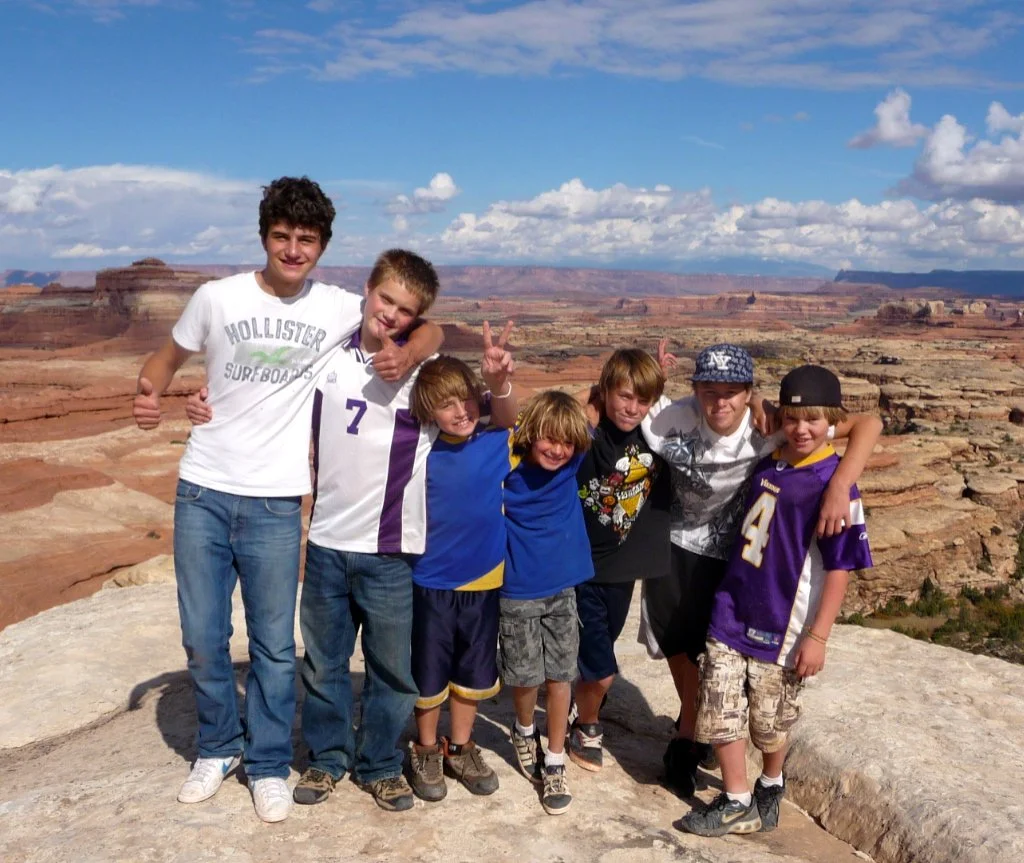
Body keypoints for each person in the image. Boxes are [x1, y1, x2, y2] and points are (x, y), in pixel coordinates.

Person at [133, 178, 440, 823]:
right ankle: (218, 746)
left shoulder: (338, 307)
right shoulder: (216, 298)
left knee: (274, 645)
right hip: (203, 488)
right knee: (202, 635)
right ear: (264, 235)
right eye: (282, 236)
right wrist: (151, 392)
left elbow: (428, 324)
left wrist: (412, 348)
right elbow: (165, 358)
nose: (293, 250)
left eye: (306, 239)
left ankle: (269, 762)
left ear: (322, 246)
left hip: (275, 501)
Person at [640, 343, 882, 797]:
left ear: (749, 392)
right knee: (680, 644)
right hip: (689, 555)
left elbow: (867, 423)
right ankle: (697, 737)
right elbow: (619, 407)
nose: (720, 402)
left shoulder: (777, 432)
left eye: (732, 392)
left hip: (737, 564)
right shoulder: (695, 421)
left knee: (730, 674)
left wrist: (841, 483)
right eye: (710, 391)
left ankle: (703, 748)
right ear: (695, 390)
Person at [288, 249, 445, 813]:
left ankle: (380, 763)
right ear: (367, 290)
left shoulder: (425, 371)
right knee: (323, 662)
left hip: (389, 552)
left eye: (406, 311)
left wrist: (413, 350)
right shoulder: (328, 355)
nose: (391, 314)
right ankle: (328, 758)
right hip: (327, 544)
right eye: (385, 299)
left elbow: (443, 345)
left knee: (391, 670)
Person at [404, 330, 518, 803]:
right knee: (429, 668)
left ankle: (461, 745)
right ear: (428, 411)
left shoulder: (494, 441)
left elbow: (509, 415)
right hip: (430, 577)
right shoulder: (420, 452)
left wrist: (499, 382)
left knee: (473, 664)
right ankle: (426, 747)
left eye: (467, 399)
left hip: (484, 576)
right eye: (447, 405)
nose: (461, 411)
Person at [568, 348, 672, 772]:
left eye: (642, 400)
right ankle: (586, 727)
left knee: (600, 648)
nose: (632, 408)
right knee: (601, 668)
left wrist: (655, 385)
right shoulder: (585, 431)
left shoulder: (655, 435)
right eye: (623, 396)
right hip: (579, 567)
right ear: (605, 391)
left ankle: (583, 700)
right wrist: (590, 398)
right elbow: (550, 417)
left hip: (622, 571)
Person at [501, 391, 594, 815]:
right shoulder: (508, 464)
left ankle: (554, 760)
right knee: (525, 676)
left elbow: (597, 406)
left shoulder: (572, 461)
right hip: (517, 590)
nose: (558, 449)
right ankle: (524, 730)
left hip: (562, 590)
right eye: (549, 439)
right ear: (531, 433)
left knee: (560, 675)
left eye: (567, 442)